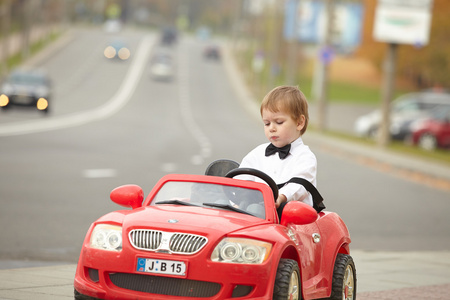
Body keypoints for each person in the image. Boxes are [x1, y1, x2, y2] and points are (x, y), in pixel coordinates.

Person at [238, 85, 317, 220]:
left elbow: (299, 185)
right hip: (258, 215)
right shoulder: (257, 154)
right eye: (267, 123)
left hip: (292, 221)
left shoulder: (305, 157)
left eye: (279, 122)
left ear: (299, 122)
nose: (272, 128)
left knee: (255, 210)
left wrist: (280, 197)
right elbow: (242, 178)